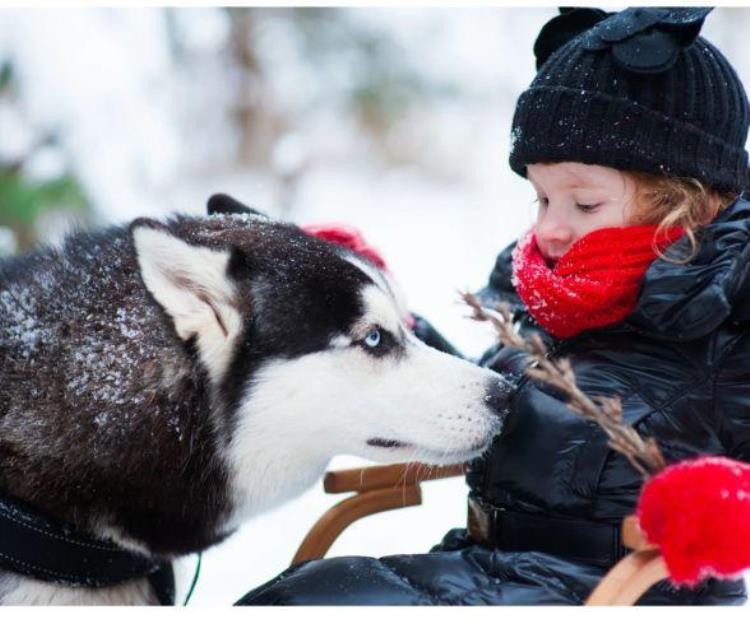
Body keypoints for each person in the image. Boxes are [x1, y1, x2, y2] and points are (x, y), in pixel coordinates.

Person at [236, 7, 750, 605]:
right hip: (483, 564)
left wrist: (728, 505)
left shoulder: (727, 316)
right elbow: (495, 404)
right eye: (541, 198)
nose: (551, 229)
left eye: (583, 204)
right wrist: (386, 330)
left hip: (613, 591)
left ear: (682, 205)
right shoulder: (550, 298)